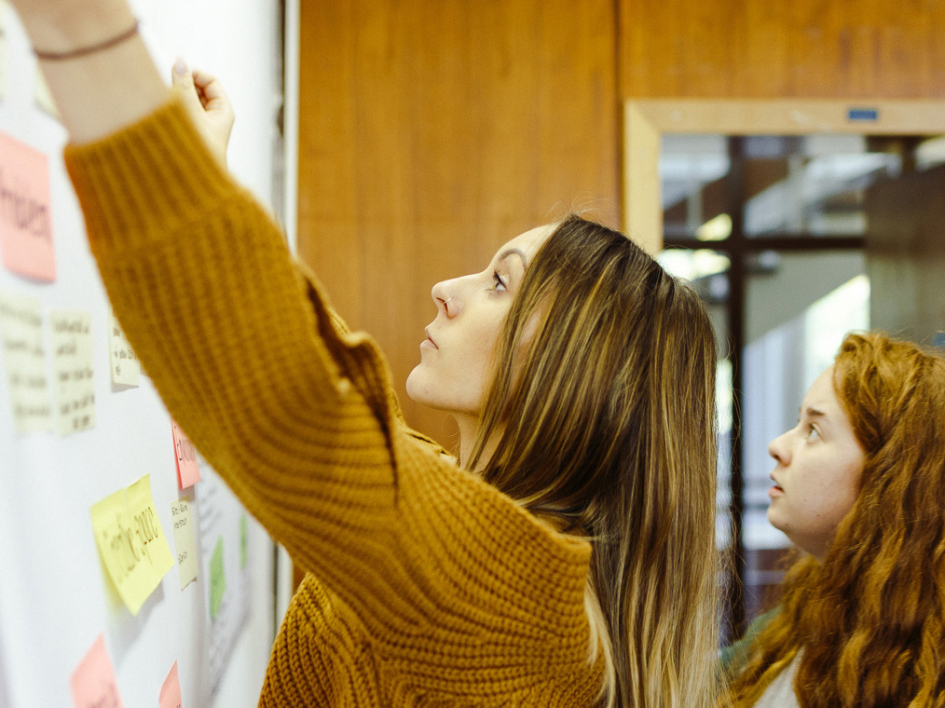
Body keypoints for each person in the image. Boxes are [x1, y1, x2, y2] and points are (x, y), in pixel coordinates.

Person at [15, 1, 723, 705]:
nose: (448, 289)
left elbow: (304, 413)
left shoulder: (528, 607)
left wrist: (84, 33)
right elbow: (343, 394)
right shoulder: (475, 511)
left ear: (579, 372)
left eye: (500, 283)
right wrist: (212, 181)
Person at [723, 332, 945, 707]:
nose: (777, 446)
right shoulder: (795, 620)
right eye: (798, 423)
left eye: (814, 430)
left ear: (886, 475)